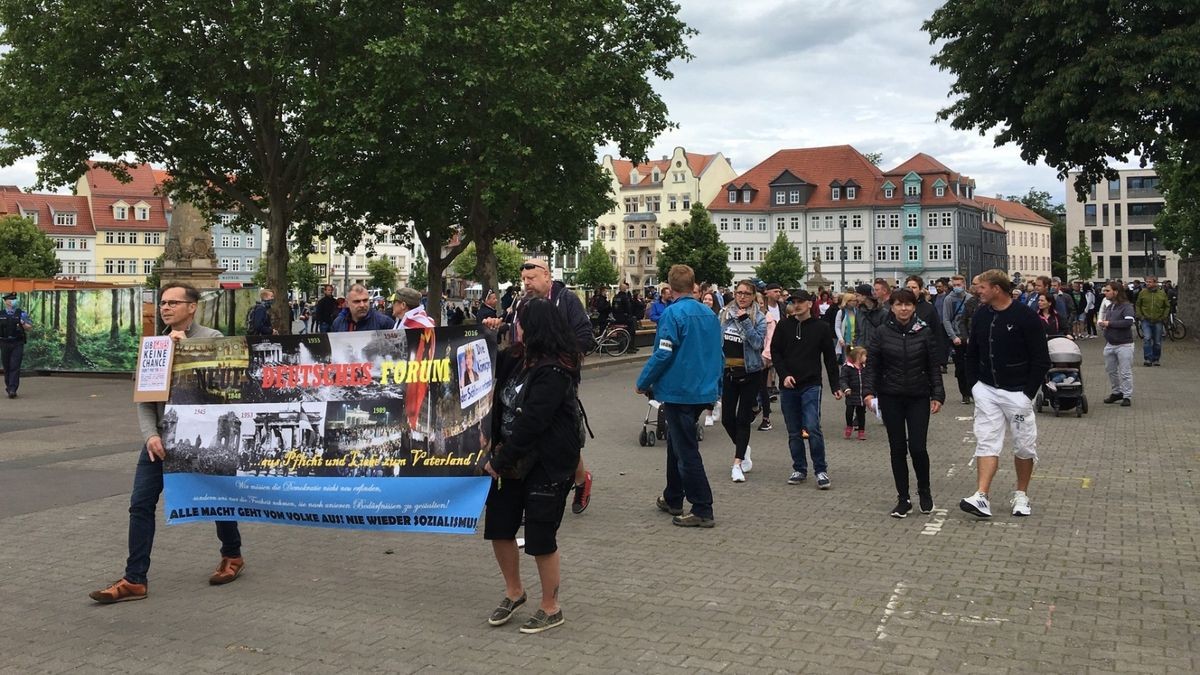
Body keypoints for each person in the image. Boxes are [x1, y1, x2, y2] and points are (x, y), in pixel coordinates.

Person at [90, 282, 245, 604]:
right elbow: (145, 400)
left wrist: (185, 349)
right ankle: (134, 579)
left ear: (192, 307)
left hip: (202, 438)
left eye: (174, 302)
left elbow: (217, 389)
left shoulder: (213, 340)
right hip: (162, 440)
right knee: (140, 504)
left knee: (215, 497)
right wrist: (151, 435)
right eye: (163, 302)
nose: (166, 307)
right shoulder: (155, 346)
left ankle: (232, 555)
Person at [482, 298, 582, 634]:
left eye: (519, 321)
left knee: (540, 536)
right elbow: (484, 371)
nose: (514, 326)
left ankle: (551, 606)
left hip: (546, 462)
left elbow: (534, 422)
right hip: (511, 459)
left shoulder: (555, 369)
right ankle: (515, 592)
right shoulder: (517, 357)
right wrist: (485, 334)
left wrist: (499, 460)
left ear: (534, 326)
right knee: (499, 525)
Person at [483, 258, 594, 515]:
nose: (527, 283)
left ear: (547, 276)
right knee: (531, 427)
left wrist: (561, 356)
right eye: (523, 279)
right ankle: (532, 488)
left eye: (531, 278)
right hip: (524, 373)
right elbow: (519, 330)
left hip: (555, 376)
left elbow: (585, 335)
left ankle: (576, 480)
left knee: (555, 428)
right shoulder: (521, 303)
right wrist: (499, 327)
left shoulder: (567, 299)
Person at [636, 264, 723, 527]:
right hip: (703, 389)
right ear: (693, 285)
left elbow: (663, 353)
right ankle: (673, 496)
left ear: (670, 287)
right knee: (676, 442)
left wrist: (643, 381)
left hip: (679, 391)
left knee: (686, 450)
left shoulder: (672, 314)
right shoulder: (708, 314)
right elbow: (717, 353)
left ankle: (702, 507)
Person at [960, 269, 1050, 519]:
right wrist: (974, 386)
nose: (978, 291)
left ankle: (1021, 494)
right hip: (986, 389)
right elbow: (972, 353)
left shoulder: (1025, 317)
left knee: (1023, 445)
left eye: (982, 287)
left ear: (996, 289)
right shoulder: (980, 315)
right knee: (986, 440)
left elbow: (1041, 359)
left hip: (1017, 392)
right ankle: (981, 496)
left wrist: (1027, 393)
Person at [863, 289, 946, 518]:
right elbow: (872, 366)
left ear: (914, 307)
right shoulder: (881, 332)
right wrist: (868, 392)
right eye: (899, 304)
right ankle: (903, 498)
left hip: (918, 395)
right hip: (891, 396)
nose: (903, 309)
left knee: (918, 447)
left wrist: (937, 394)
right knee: (897, 449)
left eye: (908, 304)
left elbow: (933, 367)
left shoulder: (924, 332)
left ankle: (924, 491)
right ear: (892, 307)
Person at [770, 290, 841, 488]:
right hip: (788, 385)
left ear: (810, 304)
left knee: (812, 427)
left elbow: (829, 358)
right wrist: (784, 375)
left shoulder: (821, 328)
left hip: (811, 384)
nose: (797, 305)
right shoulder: (784, 326)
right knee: (793, 430)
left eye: (801, 301)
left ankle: (821, 470)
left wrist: (836, 385)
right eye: (794, 302)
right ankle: (799, 468)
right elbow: (776, 352)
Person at [718, 281, 768, 483]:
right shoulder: (723, 314)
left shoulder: (760, 318)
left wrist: (746, 321)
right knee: (727, 418)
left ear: (754, 296)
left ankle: (737, 463)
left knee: (742, 418)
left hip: (750, 372)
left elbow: (757, 343)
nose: (742, 297)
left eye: (747, 294)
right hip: (728, 372)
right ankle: (743, 447)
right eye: (739, 293)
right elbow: (716, 339)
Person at [1099, 282, 1136, 407]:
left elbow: (1128, 322)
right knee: (1110, 370)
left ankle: (1127, 396)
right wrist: (1104, 326)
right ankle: (1116, 392)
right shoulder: (1110, 306)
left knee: (1125, 371)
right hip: (1110, 343)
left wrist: (1109, 324)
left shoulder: (1126, 307)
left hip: (1124, 344)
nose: (1105, 293)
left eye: (1107, 290)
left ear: (1116, 292)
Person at [941, 275, 974, 404]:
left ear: (964, 284)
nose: (956, 287)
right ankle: (965, 393)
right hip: (957, 338)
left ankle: (973, 391)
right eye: (954, 285)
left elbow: (973, 319)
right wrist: (953, 337)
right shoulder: (949, 299)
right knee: (960, 367)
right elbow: (946, 319)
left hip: (969, 337)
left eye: (958, 285)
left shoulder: (970, 299)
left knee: (972, 366)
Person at [1, 292, 32, 399]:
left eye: (14, 299)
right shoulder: (1, 314)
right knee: (7, 367)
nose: (13, 301)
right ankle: (9, 386)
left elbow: (29, 327)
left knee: (15, 366)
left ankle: (13, 389)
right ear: (5, 302)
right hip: (4, 343)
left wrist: (23, 323)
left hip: (17, 343)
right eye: (10, 299)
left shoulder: (21, 313)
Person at [1135, 275, 1170, 366]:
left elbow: (1167, 306)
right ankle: (1148, 359)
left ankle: (1156, 359)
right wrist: (1141, 316)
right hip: (1146, 320)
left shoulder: (1162, 293)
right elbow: (1138, 305)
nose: (1147, 283)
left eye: (1150, 282)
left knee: (1157, 341)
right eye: (1146, 282)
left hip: (1158, 320)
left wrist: (1164, 316)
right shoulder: (1142, 293)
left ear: (1155, 282)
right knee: (1147, 338)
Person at [838, 346, 868, 441]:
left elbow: (869, 379)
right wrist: (846, 389)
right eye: (864, 356)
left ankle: (861, 431)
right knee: (849, 412)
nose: (866, 358)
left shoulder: (865, 368)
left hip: (861, 394)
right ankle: (849, 426)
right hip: (851, 394)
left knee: (861, 413)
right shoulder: (847, 368)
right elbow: (843, 380)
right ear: (858, 356)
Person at [611, 282, 640, 353]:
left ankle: (621, 348)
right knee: (631, 331)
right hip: (625, 318)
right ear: (625, 289)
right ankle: (630, 347)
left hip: (617, 318)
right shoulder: (625, 297)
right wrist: (630, 315)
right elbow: (628, 308)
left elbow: (613, 307)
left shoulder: (615, 297)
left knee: (620, 333)